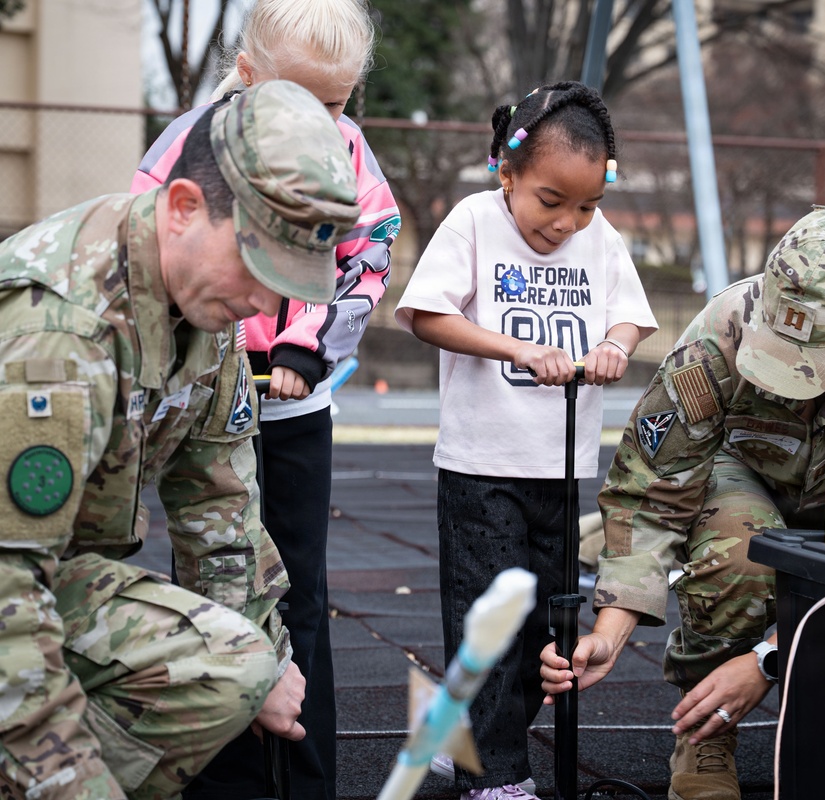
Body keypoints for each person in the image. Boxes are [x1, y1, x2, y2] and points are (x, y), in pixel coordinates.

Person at [539, 196, 825, 799]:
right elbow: (653, 487)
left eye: (815, 360)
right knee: (741, 551)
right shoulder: (723, 330)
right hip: (745, 475)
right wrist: (610, 631)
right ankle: (705, 736)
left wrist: (767, 660)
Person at [0, 80, 361, 800]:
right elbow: (5, 591)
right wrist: (73, 782)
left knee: (242, 664)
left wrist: (269, 663)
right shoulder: (61, 332)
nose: (265, 305)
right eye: (258, 267)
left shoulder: (207, 313)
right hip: (12, 582)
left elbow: (222, 512)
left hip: (51, 576)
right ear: (184, 207)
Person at [133, 2, 400, 798]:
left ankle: (306, 776)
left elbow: (369, 253)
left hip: (291, 408)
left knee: (302, 593)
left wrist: (304, 349)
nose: (322, 120)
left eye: (336, 103)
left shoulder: (348, 152)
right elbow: (156, 248)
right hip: (203, 405)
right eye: (302, 98)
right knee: (209, 582)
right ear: (248, 75)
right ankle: (221, 774)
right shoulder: (192, 140)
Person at [394, 80, 658, 800]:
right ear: (505, 172)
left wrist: (613, 344)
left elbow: (630, 319)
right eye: (551, 200)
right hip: (484, 465)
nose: (568, 222)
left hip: (560, 466)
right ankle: (499, 775)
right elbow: (422, 314)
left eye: (587, 204)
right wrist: (514, 349)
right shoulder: (476, 222)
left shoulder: (598, 240)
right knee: (492, 620)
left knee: (547, 630)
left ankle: (463, 737)